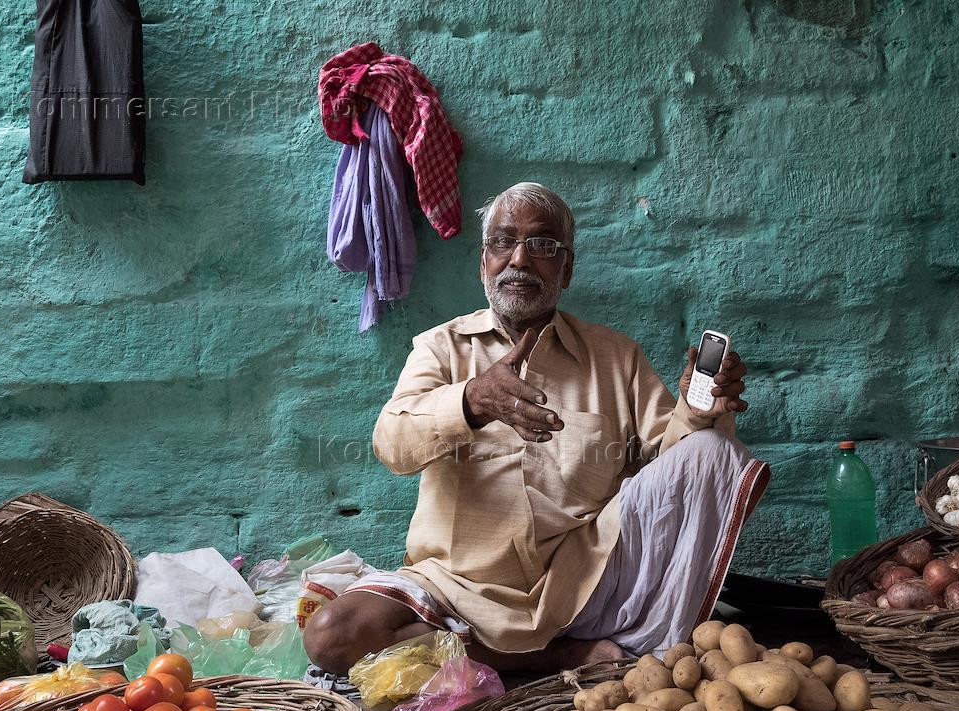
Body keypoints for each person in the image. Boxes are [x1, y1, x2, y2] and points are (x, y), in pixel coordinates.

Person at [304, 182, 768, 676]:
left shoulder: (617, 358)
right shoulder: (442, 349)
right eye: (503, 242)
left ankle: (533, 650)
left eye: (543, 246)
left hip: (583, 582)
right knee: (332, 636)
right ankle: (555, 658)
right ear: (484, 262)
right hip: (454, 584)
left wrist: (699, 412)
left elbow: (671, 471)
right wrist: (472, 400)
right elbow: (391, 444)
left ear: (566, 268)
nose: (520, 260)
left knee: (712, 448)